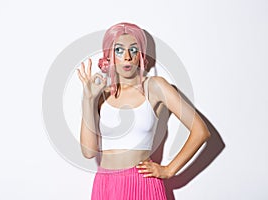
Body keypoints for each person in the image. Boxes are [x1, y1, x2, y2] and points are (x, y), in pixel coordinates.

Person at [76, 22, 210, 200]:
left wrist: (169, 170)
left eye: (133, 49)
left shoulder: (155, 86)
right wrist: (88, 99)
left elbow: (201, 131)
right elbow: (89, 152)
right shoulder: (100, 95)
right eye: (119, 50)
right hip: (106, 185)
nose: (127, 57)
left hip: (142, 183)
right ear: (109, 55)